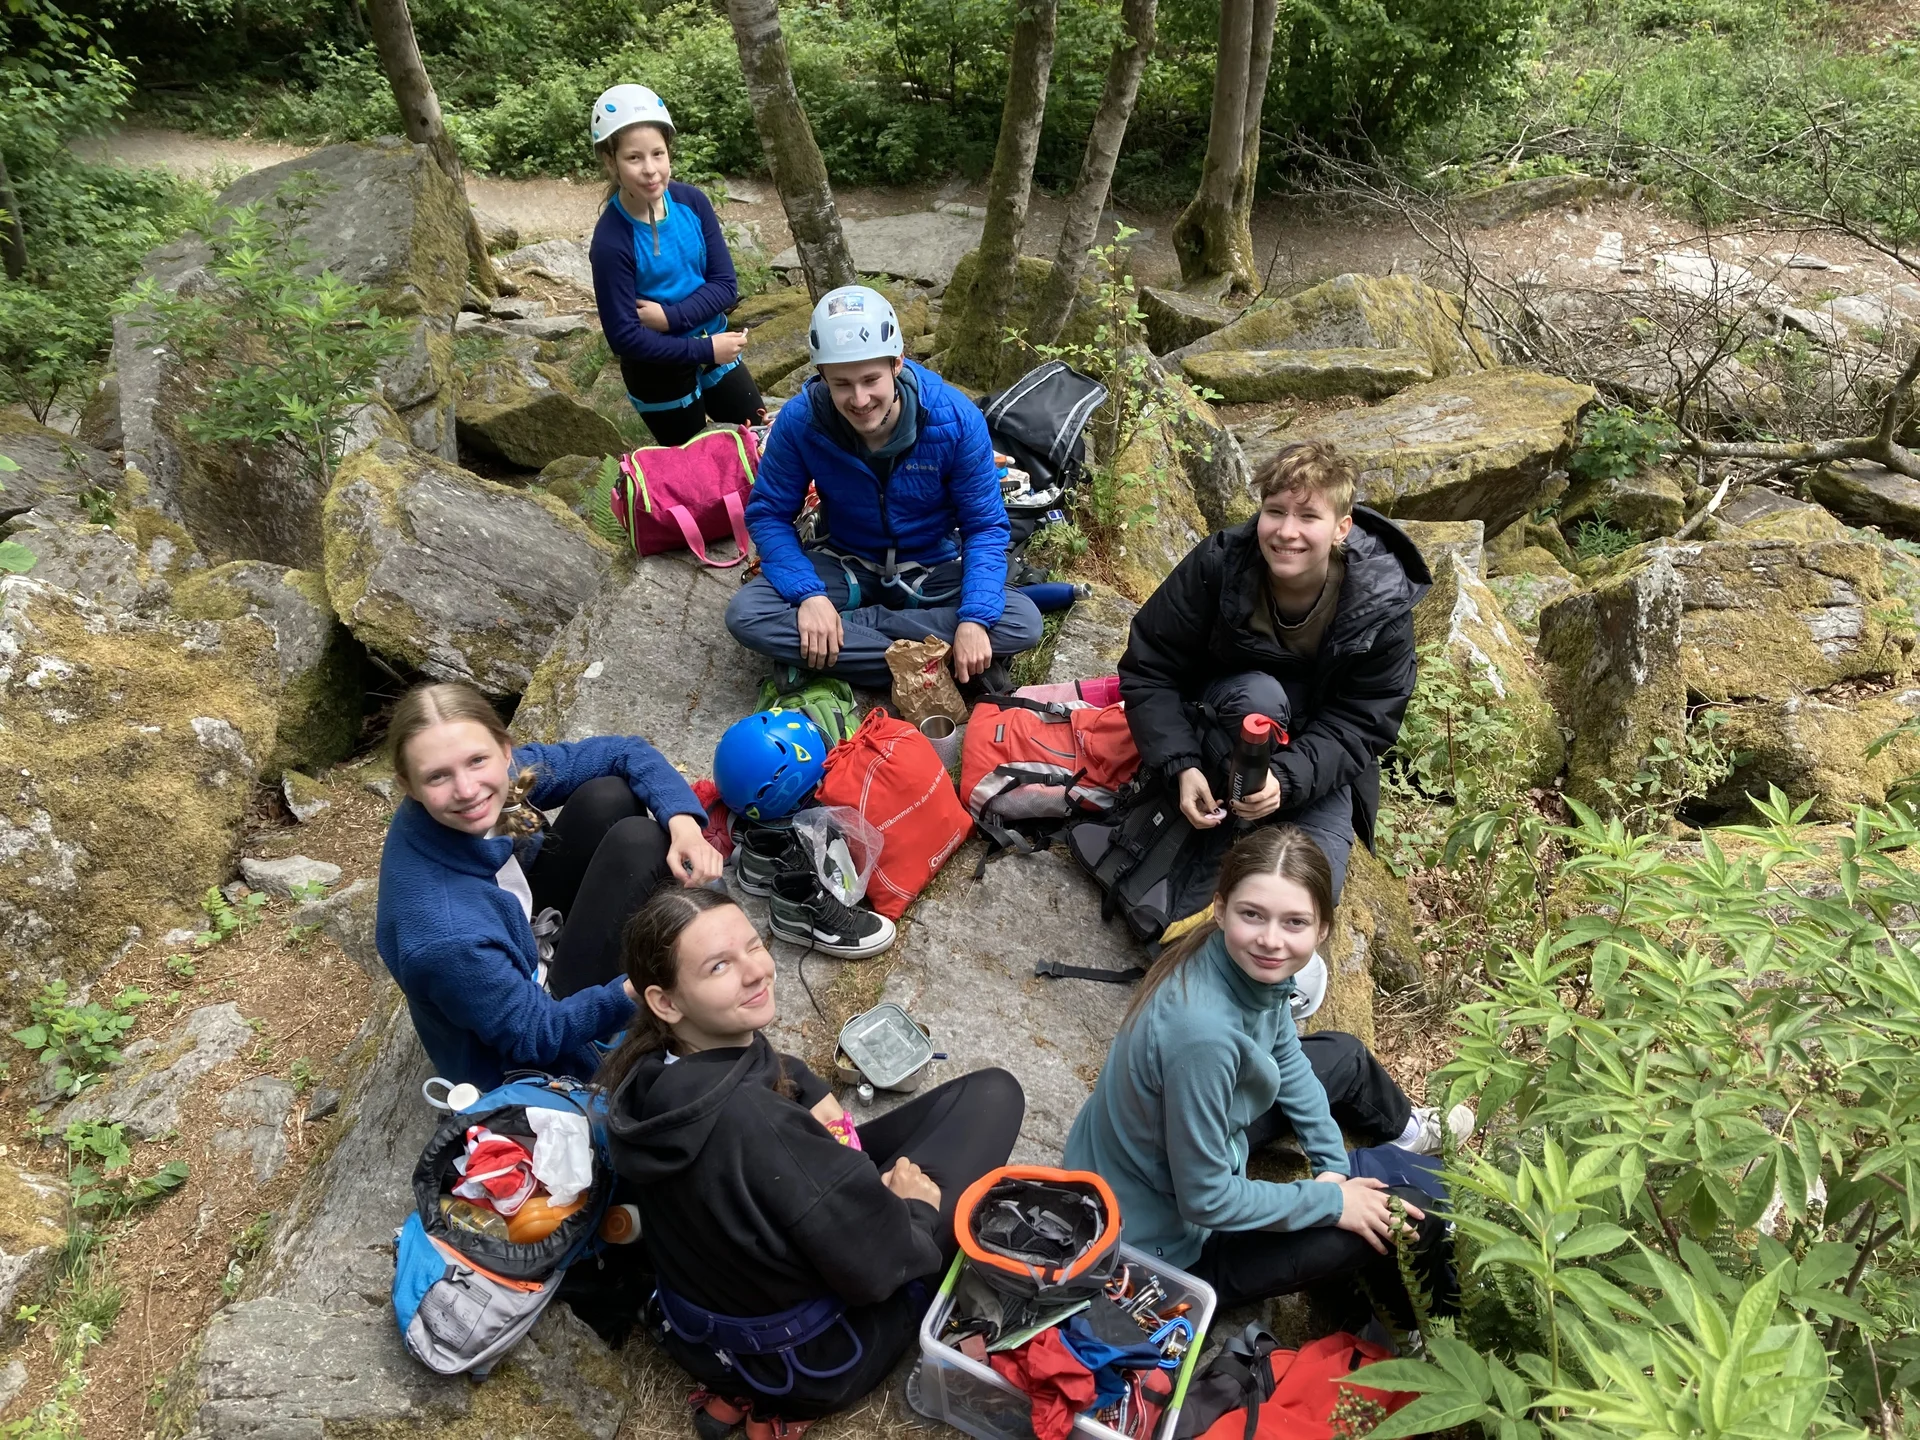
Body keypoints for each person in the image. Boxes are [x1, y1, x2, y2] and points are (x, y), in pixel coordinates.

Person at [601, 886, 1025, 1434]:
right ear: (666, 1001)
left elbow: (766, 1071)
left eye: (754, 945)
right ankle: (781, 1409)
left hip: (706, 1341)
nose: (756, 971)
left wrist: (804, 1084)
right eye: (720, 966)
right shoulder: (764, 1130)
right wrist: (914, 1210)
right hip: (813, 1363)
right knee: (994, 1096)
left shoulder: (645, 1080)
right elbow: (879, 1272)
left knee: (966, 1103)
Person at [1065, 827, 1458, 1322]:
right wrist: (1331, 1202)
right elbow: (1206, 1200)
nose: (1271, 940)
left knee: (1341, 1053)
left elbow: (1287, 1054)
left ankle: (1407, 1134)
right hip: (1162, 1247)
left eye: (1294, 922)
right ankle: (1431, 1330)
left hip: (1170, 1148)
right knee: (1405, 1213)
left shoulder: (1239, 960)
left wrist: (1330, 1163)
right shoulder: (1201, 1035)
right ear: (1221, 908)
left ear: (1322, 931)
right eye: (1253, 915)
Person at [1118, 440, 1431, 904]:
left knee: (1306, 898)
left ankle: (1255, 815)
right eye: (1275, 511)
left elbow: (1362, 722)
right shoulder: (1219, 564)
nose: (1286, 532)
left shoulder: (1379, 605)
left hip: (1313, 750)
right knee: (1258, 699)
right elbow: (1150, 666)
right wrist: (1179, 764)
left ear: (1342, 527)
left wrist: (1284, 781)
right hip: (1220, 720)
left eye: (1308, 517)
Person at [375, 681, 724, 1089]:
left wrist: (684, 823)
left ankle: (571, 953)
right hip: (533, 1040)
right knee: (640, 843)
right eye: (438, 777)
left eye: (477, 761)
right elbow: (534, 1036)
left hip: (515, 930)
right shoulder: (445, 936)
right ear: (408, 786)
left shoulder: (491, 781)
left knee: (607, 797)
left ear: (505, 750)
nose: (468, 789)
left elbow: (622, 752)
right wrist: (643, 985)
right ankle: (609, 1033)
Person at [724, 284, 1043, 691]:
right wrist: (810, 596)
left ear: (897, 363)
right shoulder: (803, 421)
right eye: (841, 384)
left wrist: (976, 619)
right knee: (748, 614)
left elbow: (984, 526)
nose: (859, 399)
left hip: (931, 567)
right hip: (845, 563)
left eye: (870, 379)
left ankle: (837, 642)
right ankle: (933, 664)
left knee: (1021, 620)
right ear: (821, 375)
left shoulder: (955, 419)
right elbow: (769, 514)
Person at [589, 84, 765, 446]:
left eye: (658, 153)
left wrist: (669, 319)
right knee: (693, 473)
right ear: (611, 162)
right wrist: (704, 349)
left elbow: (724, 285)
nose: (651, 170)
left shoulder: (691, 202)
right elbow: (625, 338)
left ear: (669, 153)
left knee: (759, 441)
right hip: (658, 372)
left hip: (715, 347)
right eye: (634, 158)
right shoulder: (611, 241)